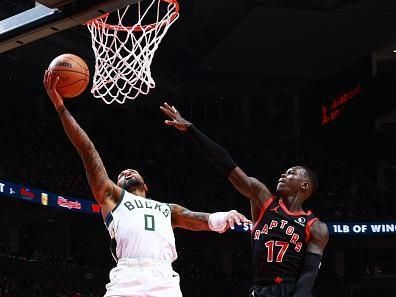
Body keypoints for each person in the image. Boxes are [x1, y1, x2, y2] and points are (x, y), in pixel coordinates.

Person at [43, 71, 251, 297]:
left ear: (146, 186)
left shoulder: (167, 209)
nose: (126, 172)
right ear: (117, 185)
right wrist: (60, 107)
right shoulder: (113, 198)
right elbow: (87, 150)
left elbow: (199, 219)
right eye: (121, 175)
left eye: (131, 171)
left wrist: (225, 215)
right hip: (127, 277)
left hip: (163, 278)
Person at [160, 102, 329, 297]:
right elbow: (227, 165)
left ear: (305, 185)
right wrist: (191, 129)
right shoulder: (263, 200)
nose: (283, 174)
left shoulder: (315, 227)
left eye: (291, 173)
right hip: (260, 290)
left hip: (292, 291)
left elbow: (309, 273)